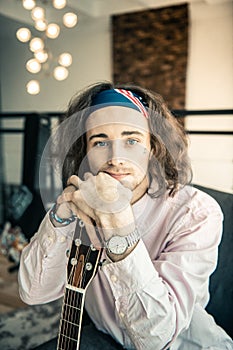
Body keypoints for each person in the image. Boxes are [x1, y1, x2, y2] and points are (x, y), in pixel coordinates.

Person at [18, 82, 233, 350]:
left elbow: (156, 337)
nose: (116, 158)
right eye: (100, 142)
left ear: (153, 147)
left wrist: (117, 221)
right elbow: (33, 293)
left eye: (131, 140)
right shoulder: (80, 201)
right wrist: (61, 216)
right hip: (106, 337)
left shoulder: (197, 211)